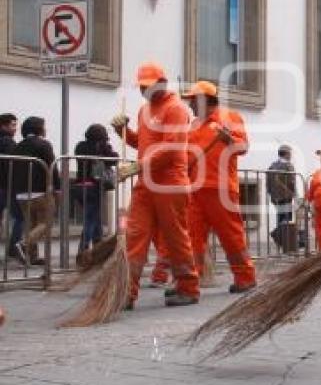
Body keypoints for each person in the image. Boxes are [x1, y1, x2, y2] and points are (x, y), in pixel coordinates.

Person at [111, 62, 199, 309]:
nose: (144, 91)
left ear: (162, 82)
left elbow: (171, 149)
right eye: (142, 86)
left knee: (175, 238)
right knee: (134, 237)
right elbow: (141, 143)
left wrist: (138, 167)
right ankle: (126, 292)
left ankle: (188, 287)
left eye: (149, 86)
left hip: (170, 184)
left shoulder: (176, 109)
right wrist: (122, 131)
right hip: (146, 184)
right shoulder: (144, 111)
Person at [182, 81, 256, 294]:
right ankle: (189, 283)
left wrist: (229, 138)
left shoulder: (230, 117)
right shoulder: (194, 125)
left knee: (231, 236)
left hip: (221, 189)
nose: (190, 106)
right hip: (195, 190)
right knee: (192, 238)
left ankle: (245, 278)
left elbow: (243, 148)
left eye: (193, 101)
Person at [11, 116, 60, 266]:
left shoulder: (18, 146)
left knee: (31, 224)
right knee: (46, 222)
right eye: (43, 126)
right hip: (40, 191)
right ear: (39, 128)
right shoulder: (44, 144)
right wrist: (57, 187)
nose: (45, 129)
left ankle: (32, 257)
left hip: (21, 193)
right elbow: (52, 166)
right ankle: (23, 244)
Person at [72, 124, 119, 258]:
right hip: (93, 186)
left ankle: (99, 248)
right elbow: (114, 158)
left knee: (94, 217)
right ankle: (83, 249)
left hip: (79, 186)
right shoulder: (101, 147)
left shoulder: (80, 146)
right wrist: (106, 145)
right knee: (90, 219)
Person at [0, 113, 25, 264]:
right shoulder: (7, 142)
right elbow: (13, 165)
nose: (15, 128)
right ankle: (13, 247)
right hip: (5, 185)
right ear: (3, 126)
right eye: (12, 125)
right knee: (20, 217)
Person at [267, 144, 298, 250]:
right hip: (286, 196)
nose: (291, 156)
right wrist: (295, 195)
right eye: (290, 153)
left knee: (280, 219)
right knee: (287, 220)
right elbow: (291, 182)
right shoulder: (288, 166)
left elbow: (268, 183)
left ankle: (281, 242)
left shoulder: (272, 165)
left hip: (276, 198)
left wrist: (271, 195)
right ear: (287, 154)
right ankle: (282, 241)